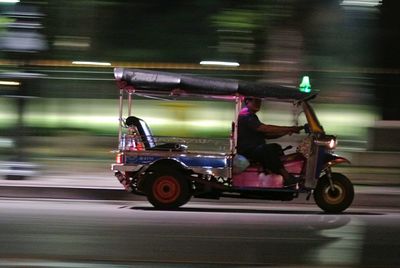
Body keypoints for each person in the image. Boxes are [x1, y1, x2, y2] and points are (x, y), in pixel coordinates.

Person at [237, 97, 303, 187]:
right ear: (247, 101)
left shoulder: (252, 116)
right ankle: (286, 176)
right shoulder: (246, 116)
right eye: (255, 101)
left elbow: (267, 135)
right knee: (268, 149)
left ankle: (277, 172)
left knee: (275, 147)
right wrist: (290, 128)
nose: (258, 103)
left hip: (254, 149)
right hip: (248, 151)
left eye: (259, 101)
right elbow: (264, 128)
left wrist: (286, 132)